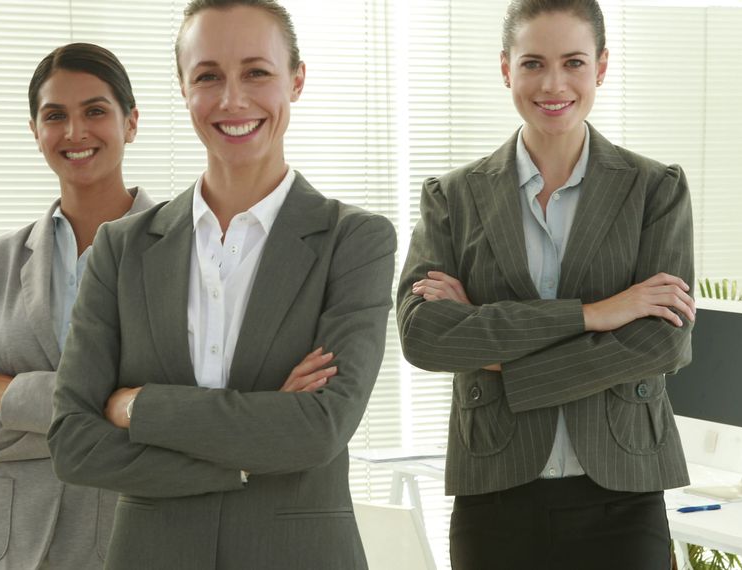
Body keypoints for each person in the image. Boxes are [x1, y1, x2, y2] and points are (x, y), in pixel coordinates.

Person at [47, 1, 396, 568]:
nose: (233, 99)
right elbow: (74, 444)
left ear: (297, 80)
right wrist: (243, 457)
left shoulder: (353, 241)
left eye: (256, 72)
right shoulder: (122, 247)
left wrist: (140, 408)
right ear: (183, 88)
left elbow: (318, 429)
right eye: (208, 76)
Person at [397, 1, 696, 568]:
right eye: (533, 63)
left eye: (574, 62)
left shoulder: (655, 189)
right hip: (495, 494)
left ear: (601, 68)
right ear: (506, 68)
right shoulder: (453, 198)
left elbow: (663, 342)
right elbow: (426, 336)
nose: (553, 84)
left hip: (623, 495)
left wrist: (500, 362)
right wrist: (595, 314)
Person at [0, 43, 155, 569]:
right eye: (55, 116)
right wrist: (105, 417)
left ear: (132, 122)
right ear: (35, 131)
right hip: (4, 551)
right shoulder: (1, 259)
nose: (75, 132)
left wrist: (13, 395)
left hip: (125, 544)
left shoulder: (180, 249)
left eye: (95, 111)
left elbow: (175, 412)